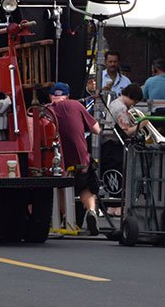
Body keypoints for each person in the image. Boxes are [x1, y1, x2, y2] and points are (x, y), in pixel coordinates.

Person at [47, 82, 102, 235]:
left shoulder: (46, 110)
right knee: (87, 187)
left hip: (57, 161)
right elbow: (96, 129)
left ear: (51, 96)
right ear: (68, 96)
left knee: (60, 188)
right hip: (80, 159)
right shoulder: (76, 105)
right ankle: (91, 211)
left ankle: (65, 218)